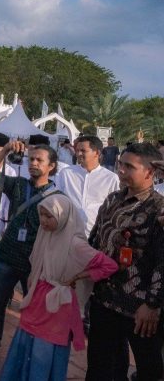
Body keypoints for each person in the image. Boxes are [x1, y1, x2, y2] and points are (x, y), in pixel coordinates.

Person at [0, 195, 117, 381]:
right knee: (27, 340)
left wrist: (80, 276)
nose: (43, 221)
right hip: (38, 297)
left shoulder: (76, 244)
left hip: (59, 304)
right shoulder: (45, 234)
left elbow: (109, 266)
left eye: (49, 216)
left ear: (63, 217)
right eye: (42, 215)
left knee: (45, 348)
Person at [86, 143, 164, 381]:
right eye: (120, 164)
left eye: (129, 166)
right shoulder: (112, 200)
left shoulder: (158, 209)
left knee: (148, 369)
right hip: (104, 299)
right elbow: (95, 241)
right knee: (101, 367)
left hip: (140, 310)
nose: (120, 170)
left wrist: (152, 305)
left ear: (150, 172)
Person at [0, 140, 60, 362]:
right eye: (31, 159)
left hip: (35, 261)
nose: (33, 163)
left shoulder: (57, 197)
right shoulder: (19, 185)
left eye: (39, 160)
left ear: (51, 166)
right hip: (7, 255)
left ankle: (30, 353)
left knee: (34, 309)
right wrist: (4, 151)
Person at [55, 135, 120, 319]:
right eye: (78, 149)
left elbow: (112, 213)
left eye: (84, 150)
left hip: (94, 243)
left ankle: (81, 322)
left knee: (87, 287)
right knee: (65, 287)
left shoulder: (111, 179)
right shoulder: (66, 174)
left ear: (97, 153)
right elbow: (59, 201)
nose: (79, 153)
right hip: (67, 240)